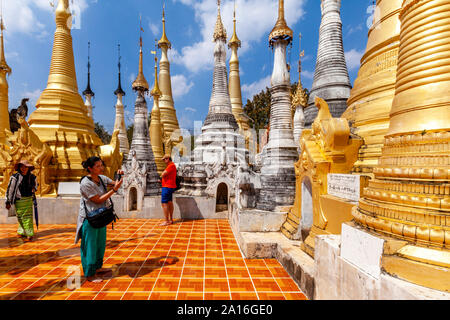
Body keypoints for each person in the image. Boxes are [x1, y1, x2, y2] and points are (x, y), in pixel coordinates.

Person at [74, 156, 123, 283]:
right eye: (98, 166)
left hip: (101, 216)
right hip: (89, 218)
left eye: (101, 165)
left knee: (100, 244)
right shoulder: (85, 183)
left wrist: (119, 175)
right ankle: (89, 274)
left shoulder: (101, 178)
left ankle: (97, 267)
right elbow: (98, 200)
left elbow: (114, 183)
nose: (101, 168)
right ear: (90, 169)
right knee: (90, 246)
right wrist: (114, 190)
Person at [5, 160, 37, 242]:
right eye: (22, 167)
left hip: (28, 200)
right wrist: (8, 201)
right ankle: (21, 231)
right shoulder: (15, 177)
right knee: (20, 217)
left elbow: (36, 187)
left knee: (27, 217)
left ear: (28, 168)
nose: (24, 168)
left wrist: (33, 188)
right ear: (19, 168)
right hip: (19, 200)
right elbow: (10, 189)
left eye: (26, 167)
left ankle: (29, 233)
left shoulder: (33, 177)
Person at [160, 154, 177, 226]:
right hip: (169, 186)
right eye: (163, 160)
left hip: (167, 187)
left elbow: (163, 174)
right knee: (169, 202)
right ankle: (170, 219)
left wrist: (161, 176)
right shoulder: (171, 166)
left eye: (164, 159)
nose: (164, 161)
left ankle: (166, 221)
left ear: (168, 159)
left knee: (164, 203)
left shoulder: (171, 165)